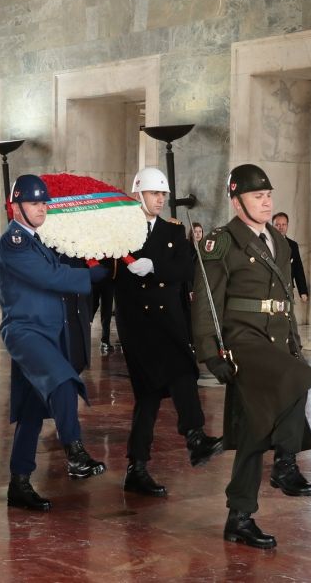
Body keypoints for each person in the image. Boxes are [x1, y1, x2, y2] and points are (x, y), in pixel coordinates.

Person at [192, 164, 311, 549]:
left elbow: (285, 299)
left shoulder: (280, 241)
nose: (266, 201)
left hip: (274, 342)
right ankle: (285, 463)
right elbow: (206, 303)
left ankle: (239, 518)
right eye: (257, 196)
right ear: (237, 201)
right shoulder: (221, 242)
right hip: (242, 341)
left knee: (254, 431)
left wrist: (293, 343)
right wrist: (210, 353)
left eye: (268, 194)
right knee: (298, 379)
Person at [0, 174, 108, 512]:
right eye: (34, 203)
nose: (42, 208)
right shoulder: (13, 241)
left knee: (31, 411)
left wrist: (97, 255)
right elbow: (50, 278)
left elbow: (60, 265)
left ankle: (19, 483)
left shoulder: (38, 242)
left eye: (44, 202)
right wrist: (90, 276)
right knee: (62, 380)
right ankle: (75, 452)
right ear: (16, 207)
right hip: (26, 331)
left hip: (46, 332)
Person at [115, 168, 223, 499]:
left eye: (163, 194)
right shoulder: (121, 234)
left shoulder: (173, 231)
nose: (160, 199)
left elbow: (186, 269)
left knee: (183, 374)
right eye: (153, 194)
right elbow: (112, 283)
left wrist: (154, 266)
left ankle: (193, 437)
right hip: (139, 327)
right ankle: (139, 466)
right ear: (139, 195)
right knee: (148, 396)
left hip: (170, 323)